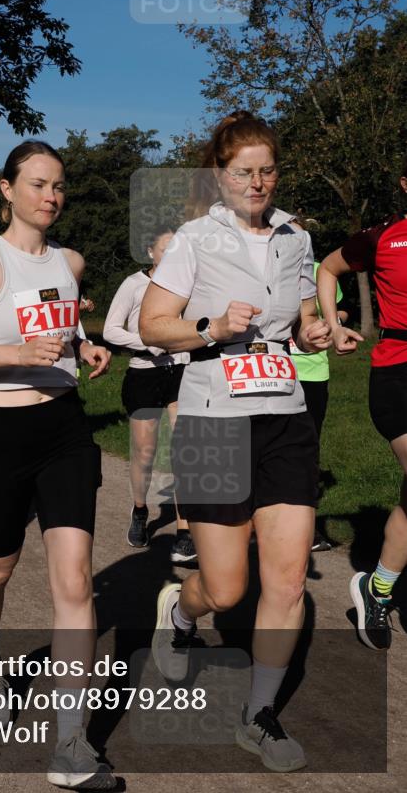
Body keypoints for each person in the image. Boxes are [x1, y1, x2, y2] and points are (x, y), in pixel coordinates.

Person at [139, 111, 331, 773]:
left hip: (285, 416)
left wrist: (314, 335)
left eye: (267, 169)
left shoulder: (295, 240)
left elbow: (301, 321)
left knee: (284, 580)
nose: (257, 182)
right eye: (244, 171)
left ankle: (259, 714)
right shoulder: (194, 239)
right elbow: (153, 326)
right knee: (225, 589)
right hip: (212, 419)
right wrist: (213, 326)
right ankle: (181, 613)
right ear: (220, 175)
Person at [0, 142, 115, 790]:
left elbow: (64, 326)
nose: (50, 196)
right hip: (0, 430)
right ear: (6, 189)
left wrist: (85, 347)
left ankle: (71, 744)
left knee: (75, 584)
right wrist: (13, 356)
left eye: (58, 186)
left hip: (64, 429)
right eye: (37, 184)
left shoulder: (70, 262)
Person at [317, 158, 407, 652]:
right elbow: (328, 269)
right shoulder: (383, 237)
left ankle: (379, 587)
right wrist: (333, 325)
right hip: (397, 372)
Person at [103, 228, 194, 559]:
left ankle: (184, 529)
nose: (172, 256)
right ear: (150, 251)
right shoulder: (134, 284)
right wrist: (148, 343)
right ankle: (140, 510)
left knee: (184, 449)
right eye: (165, 249)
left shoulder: (189, 283)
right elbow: (112, 329)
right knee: (145, 452)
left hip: (181, 371)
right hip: (144, 373)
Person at [288, 230, 351, 552]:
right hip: (271, 373)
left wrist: (330, 322)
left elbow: (339, 312)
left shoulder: (316, 270)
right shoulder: (261, 269)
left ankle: (306, 530)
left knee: (308, 448)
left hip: (312, 372)